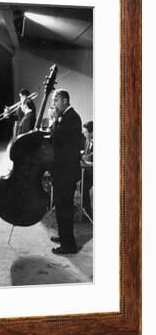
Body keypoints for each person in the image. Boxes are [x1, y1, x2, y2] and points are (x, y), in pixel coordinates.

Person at [49, 89, 84, 254]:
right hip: (63, 172)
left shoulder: (72, 118)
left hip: (66, 173)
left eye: (55, 100)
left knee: (64, 208)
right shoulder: (68, 117)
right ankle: (64, 236)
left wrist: (55, 120)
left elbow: (56, 140)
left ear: (64, 100)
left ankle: (68, 245)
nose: (54, 104)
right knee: (61, 206)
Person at [81, 121, 93, 220]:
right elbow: (86, 155)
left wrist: (85, 159)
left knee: (84, 187)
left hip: (93, 171)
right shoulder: (87, 141)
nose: (84, 135)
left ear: (92, 132)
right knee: (82, 186)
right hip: (87, 169)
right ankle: (85, 211)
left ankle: (87, 213)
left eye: (86, 133)